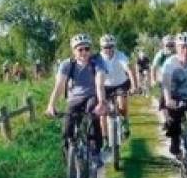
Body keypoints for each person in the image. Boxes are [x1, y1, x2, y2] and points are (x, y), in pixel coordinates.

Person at [45, 34, 107, 167]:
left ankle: (96, 152)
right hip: (74, 98)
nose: (84, 52)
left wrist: (101, 102)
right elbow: (60, 85)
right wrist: (51, 105)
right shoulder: (67, 64)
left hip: (92, 95)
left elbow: (99, 83)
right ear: (74, 51)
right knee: (68, 126)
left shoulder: (97, 61)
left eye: (87, 49)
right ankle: (68, 158)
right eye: (80, 49)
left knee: (93, 115)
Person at [96, 34, 137, 141]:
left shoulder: (120, 55)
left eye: (111, 46)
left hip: (120, 84)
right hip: (105, 86)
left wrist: (134, 86)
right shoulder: (98, 58)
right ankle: (105, 138)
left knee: (122, 105)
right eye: (106, 47)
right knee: (103, 112)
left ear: (115, 46)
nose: (109, 49)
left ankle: (125, 122)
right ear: (101, 48)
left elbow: (129, 69)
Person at [152, 35, 177, 120]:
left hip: (177, 79)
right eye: (167, 45)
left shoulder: (178, 53)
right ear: (163, 45)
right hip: (164, 80)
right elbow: (154, 67)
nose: (170, 47)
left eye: (171, 45)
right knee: (163, 101)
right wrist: (153, 79)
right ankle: (166, 120)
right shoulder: (160, 54)